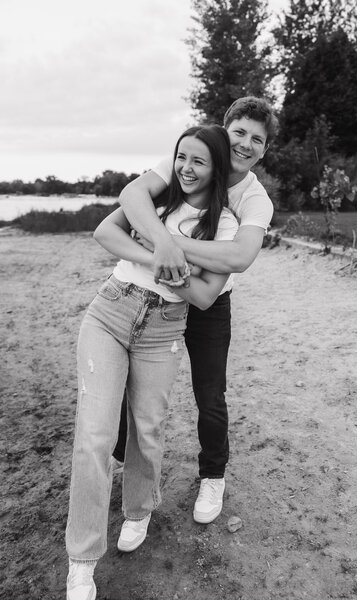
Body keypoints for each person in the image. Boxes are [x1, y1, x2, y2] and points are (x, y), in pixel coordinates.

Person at [65, 124, 238, 600]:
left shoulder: (224, 227)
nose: (186, 167)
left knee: (147, 428)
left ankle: (138, 510)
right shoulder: (155, 198)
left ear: (216, 169)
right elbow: (105, 230)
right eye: (181, 156)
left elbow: (204, 295)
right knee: (94, 436)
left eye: (199, 160)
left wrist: (167, 265)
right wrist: (159, 247)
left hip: (164, 326)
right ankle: (81, 561)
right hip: (110, 309)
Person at [108, 97, 279, 525]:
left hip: (210, 300)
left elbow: (239, 257)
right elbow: (131, 195)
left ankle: (213, 475)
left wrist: (167, 243)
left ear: (265, 149)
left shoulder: (255, 198)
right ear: (225, 131)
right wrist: (160, 245)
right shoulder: (193, 162)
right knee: (135, 385)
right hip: (157, 296)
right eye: (239, 132)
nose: (246, 144)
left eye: (257, 139)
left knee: (209, 392)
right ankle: (124, 460)